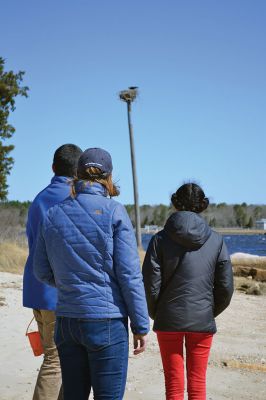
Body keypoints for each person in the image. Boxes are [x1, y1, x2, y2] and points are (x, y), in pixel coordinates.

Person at [33, 147, 150, 400]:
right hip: (106, 320)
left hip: (67, 321)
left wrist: (69, 282)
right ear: (108, 177)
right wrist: (140, 325)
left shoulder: (53, 213)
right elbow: (129, 276)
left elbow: (41, 271)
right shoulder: (114, 212)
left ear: (77, 174)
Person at [142, 183, 233, 400]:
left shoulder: (159, 240)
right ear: (202, 206)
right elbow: (226, 288)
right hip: (202, 319)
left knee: (173, 385)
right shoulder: (217, 240)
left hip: (169, 319)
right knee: (197, 384)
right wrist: (208, 311)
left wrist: (158, 314)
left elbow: (149, 285)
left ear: (175, 203)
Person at [23, 144, 83, 400]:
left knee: (58, 359)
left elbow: (32, 240)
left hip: (38, 290)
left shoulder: (39, 198)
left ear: (52, 168)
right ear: (79, 171)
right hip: (59, 293)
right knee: (56, 361)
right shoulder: (73, 199)